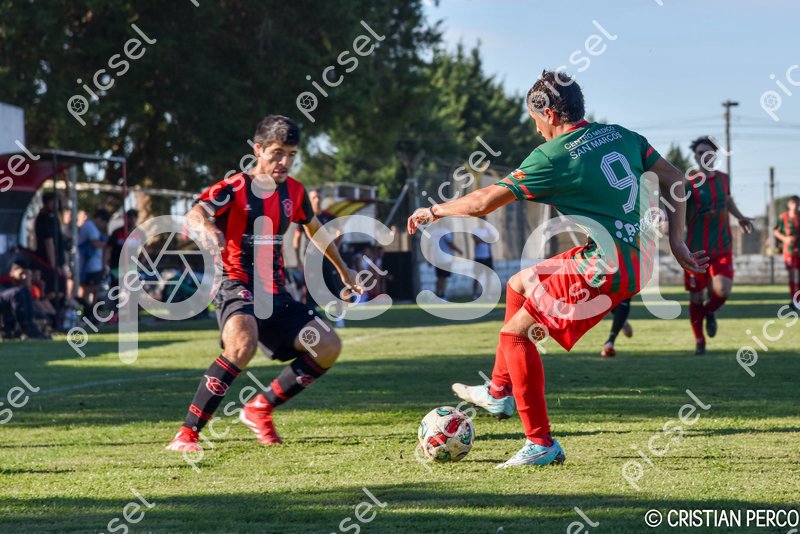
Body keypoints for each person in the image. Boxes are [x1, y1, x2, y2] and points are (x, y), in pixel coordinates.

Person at [408, 70, 707, 468]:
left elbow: (482, 203)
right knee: (518, 284)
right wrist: (677, 240)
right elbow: (675, 180)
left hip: (606, 265)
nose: (535, 127)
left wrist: (434, 211)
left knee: (515, 336)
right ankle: (498, 391)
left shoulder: (553, 155)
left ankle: (540, 444)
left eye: (534, 119)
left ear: (548, 113)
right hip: (637, 257)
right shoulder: (621, 135)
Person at [166, 115, 363, 452]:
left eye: (291, 154)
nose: (284, 162)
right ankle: (187, 434)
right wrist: (207, 228)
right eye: (277, 153)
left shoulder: (295, 191)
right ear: (258, 150)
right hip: (235, 284)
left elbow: (315, 231)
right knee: (242, 346)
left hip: (275, 294)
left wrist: (344, 270)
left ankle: (259, 408)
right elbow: (195, 213)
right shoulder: (234, 188)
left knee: (328, 345)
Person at [684, 136, 753, 355]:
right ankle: (699, 341)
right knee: (696, 296)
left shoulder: (724, 179)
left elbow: (728, 200)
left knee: (723, 290)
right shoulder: (689, 182)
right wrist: (665, 220)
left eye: (708, 152)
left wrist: (740, 217)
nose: (703, 156)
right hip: (696, 250)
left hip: (722, 245)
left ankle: (708, 312)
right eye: (699, 153)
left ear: (714, 155)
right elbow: (675, 206)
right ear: (695, 157)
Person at [292, 190, 346, 326]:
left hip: (326, 258)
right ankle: (310, 318)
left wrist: (336, 247)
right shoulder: (305, 216)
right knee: (309, 290)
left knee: (332, 286)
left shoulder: (328, 216)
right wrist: (298, 260)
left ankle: (339, 317)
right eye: (314, 197)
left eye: (319, 197)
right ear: (309, 200)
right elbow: (296, 240)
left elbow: (341, 231)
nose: (317, 200)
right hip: (310, 259)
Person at [0, 262, 49, 340]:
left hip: (9, 306)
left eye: (27, 274)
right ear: (13, 272)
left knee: (24, 291)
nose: (24, 277)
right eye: (22, 273)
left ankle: (31, 326)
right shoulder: (7, 281)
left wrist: (27, 284)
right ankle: (25, 327)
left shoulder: (21, 287)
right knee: (17, 292)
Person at [78, 209, 111, 314]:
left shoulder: (93, 228)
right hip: (90, 265)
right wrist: (106, 244)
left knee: (95, 289)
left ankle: (92, 311)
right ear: (100, 219)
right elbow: (95, 243)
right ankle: (88, 311)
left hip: (96, 265)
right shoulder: (90, 226)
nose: (103, 226)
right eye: (104, 222)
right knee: (89, 289)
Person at [34, 192, 66, 300]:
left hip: (58, 261)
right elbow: (49, 243)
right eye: (53, 202)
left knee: (61, 291)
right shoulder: (44, 219)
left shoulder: (54, 218)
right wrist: (54, 265)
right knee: (54, 292)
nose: (56, 205)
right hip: (48, 262)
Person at [774, 195, 800, 309]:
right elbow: (776, 231)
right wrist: (785, 239)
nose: (795, 206)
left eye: (797, 203)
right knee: (792, 275)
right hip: (789, 251)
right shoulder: (783, 217)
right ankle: (794, 301)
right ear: (789, 204)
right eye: (793, 203)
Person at [105, 209, 140, 284]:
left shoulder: (139, 233)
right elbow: (108, 248)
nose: (132, 220)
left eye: (134, 217)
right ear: (126, 218)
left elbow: (144, 250)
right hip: (116, 266)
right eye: (130, 217)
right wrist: (105, 264)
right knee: (117, 286)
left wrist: (141, 264)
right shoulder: (117, 232)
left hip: (132, 266)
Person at [432, 227, 463, 299]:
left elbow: (430, 246)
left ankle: (437, 293)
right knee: (444, 277)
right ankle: (442, 294)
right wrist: (459, 250)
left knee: (439, 277)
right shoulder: (445, 231)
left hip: (437, 258)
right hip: (446, 258)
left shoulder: (433, 232)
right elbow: (450, 243)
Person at [472, 217, 494, 299]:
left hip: (488, 257)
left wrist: (481, 239)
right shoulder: (475, 230)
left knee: (488, 276)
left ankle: (488, 294)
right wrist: (486, 239)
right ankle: (474, 294)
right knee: (476, 276)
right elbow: (476, 241)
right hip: (478, 257)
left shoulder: (489, 230)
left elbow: (492, 240)